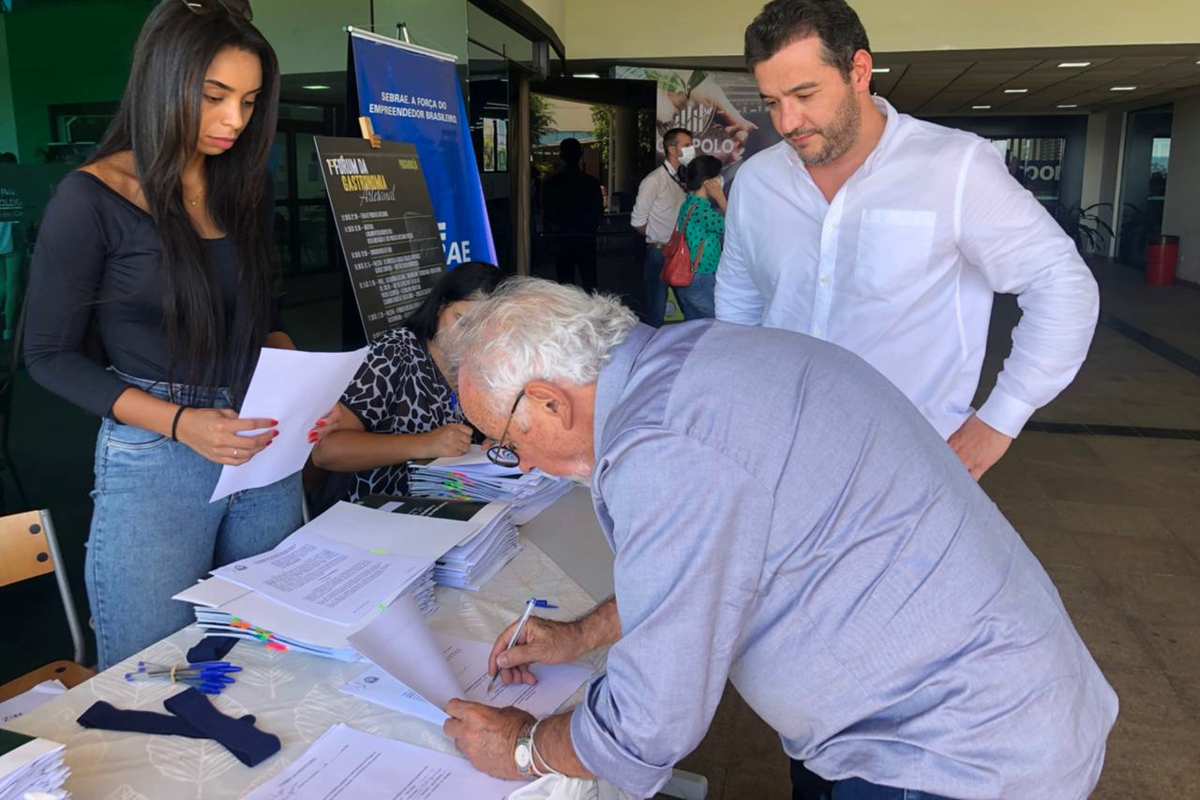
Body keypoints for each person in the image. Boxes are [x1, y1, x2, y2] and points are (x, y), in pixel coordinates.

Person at [436, 279, 1117, 800]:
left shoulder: (664, 448)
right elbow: (718, 565)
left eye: (507, 443)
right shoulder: (697, 356)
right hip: (994, 702)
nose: (520, 465)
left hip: (947, 751)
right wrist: (581, 637)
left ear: (551, 402)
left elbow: (649, 726)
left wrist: (527, 748)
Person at [23, 0, 308, 669]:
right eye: (214, 97)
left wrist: (283, 350)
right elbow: (47, 356)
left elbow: (261, 309)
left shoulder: (242, 187)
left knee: (269, 652)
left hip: (259, 435)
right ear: (164, 82)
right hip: (157, 451)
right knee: (150, 668)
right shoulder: (92, 197)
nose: (234, 120)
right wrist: (180, 423)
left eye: (248, 100)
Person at [716, 0, 1100, 480]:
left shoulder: (955, 167)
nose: (787, 122)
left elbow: (1062, 284)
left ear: (859, 71)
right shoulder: (756, 182)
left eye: (805, 94)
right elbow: (740, 301)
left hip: (912, 466)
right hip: (785, 454)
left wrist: (999, 420)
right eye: (772, 101)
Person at [309, 262, 504, 503]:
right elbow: (326, 451)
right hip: (377, 508)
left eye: (484, 330)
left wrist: (496, 440)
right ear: (440, 307)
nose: (470, 338)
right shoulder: (395, 352)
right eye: (462, 321)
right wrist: (426, 444)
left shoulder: (484, 365)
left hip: (452, 501)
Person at [630, 127, 692, 327]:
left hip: (679, 252)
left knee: (689, 306)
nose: (692, 149)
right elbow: (637, 221)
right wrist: (658, 239)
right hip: (660, 252)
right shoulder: (654, 180)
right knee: (656, 310)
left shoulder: (680, 177)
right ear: (672, 149)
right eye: (687, 145)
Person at [542, 138, 603, 293]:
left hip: (562, 237)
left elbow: (546, 211)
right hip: (585, 237)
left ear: (561, 155)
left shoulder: (551, 184)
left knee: (566, 285)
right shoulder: (591, 183)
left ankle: (569, 314)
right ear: (580, 155)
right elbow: (598, 212)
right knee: (590, 283)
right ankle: (592, 313)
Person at [673, 154, 726, 320]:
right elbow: (735, 226)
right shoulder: (702, 210)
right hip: (701, 276)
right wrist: (721, 198)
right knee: (717, 324)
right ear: (708, 182)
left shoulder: (690, 203)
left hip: (690, 276)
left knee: (696, 328)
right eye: (718, 176)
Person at [0, 152, 20, 341]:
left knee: (2, 283)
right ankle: (8, 330)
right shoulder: (17, 185)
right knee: (12, 284)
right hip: (12, 237)